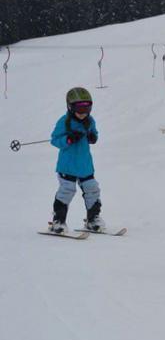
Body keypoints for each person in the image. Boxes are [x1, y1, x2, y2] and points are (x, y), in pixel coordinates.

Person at [49, 87, 104, 234]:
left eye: (87, 108)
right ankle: (58, 221)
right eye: (79, 108)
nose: (83, 112)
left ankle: (93, 219)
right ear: (70, 107)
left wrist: (93, 137)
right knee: (67, 191)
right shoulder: (64, 121)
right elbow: (54, 140)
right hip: (67, 165)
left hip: (85, 165)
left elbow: (94, 133)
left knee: (92, 189)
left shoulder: (90, 121)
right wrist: (68, 139)